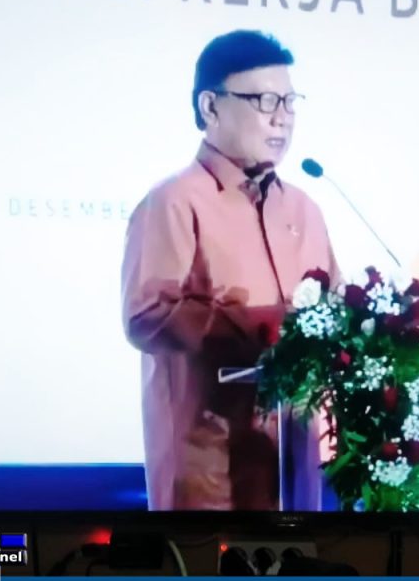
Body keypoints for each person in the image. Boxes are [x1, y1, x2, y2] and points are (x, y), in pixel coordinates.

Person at [121, 30, 337, 511]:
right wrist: (256, 324)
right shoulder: (173, 202)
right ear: (210, 107)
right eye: (265, 101)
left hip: (293, 473)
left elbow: (334, 313)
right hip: (209, 473)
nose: (282, 117)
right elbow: (146, 315)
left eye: (290, 101)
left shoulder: (304, 209)